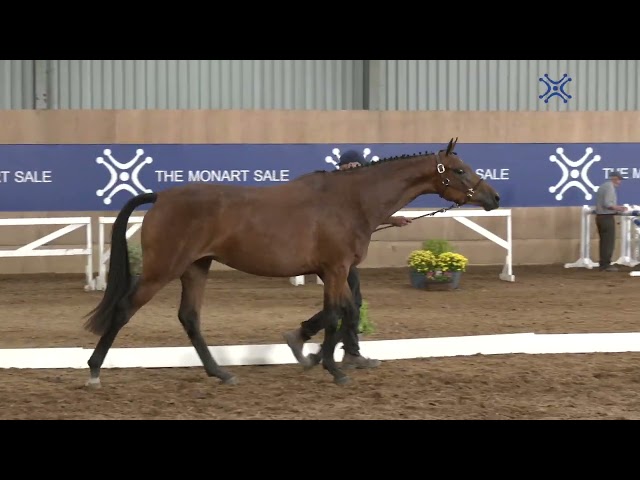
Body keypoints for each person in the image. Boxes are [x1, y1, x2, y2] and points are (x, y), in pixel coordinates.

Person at [283, 149, 412, 369]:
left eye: (356, 166)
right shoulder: (338, 189)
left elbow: (363, 214)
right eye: (350, 166)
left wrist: (392, 220)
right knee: (349, 303)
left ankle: (332, 346)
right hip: (334, 255)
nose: (353, 169)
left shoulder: (349, 188)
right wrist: (391, 219)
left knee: (351, 302)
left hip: (342, 253)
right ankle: (308, 337)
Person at [595, 171, 627, 272]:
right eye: (619, 180)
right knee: (608, 242)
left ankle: (603, 263)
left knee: (604, 242)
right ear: (615, 179)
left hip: (600, 217)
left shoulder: (603, 186)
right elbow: (608, 204)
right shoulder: (610, 187)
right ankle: (606, 264)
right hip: (606, 217)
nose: (620, 182)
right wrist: (620, 208)